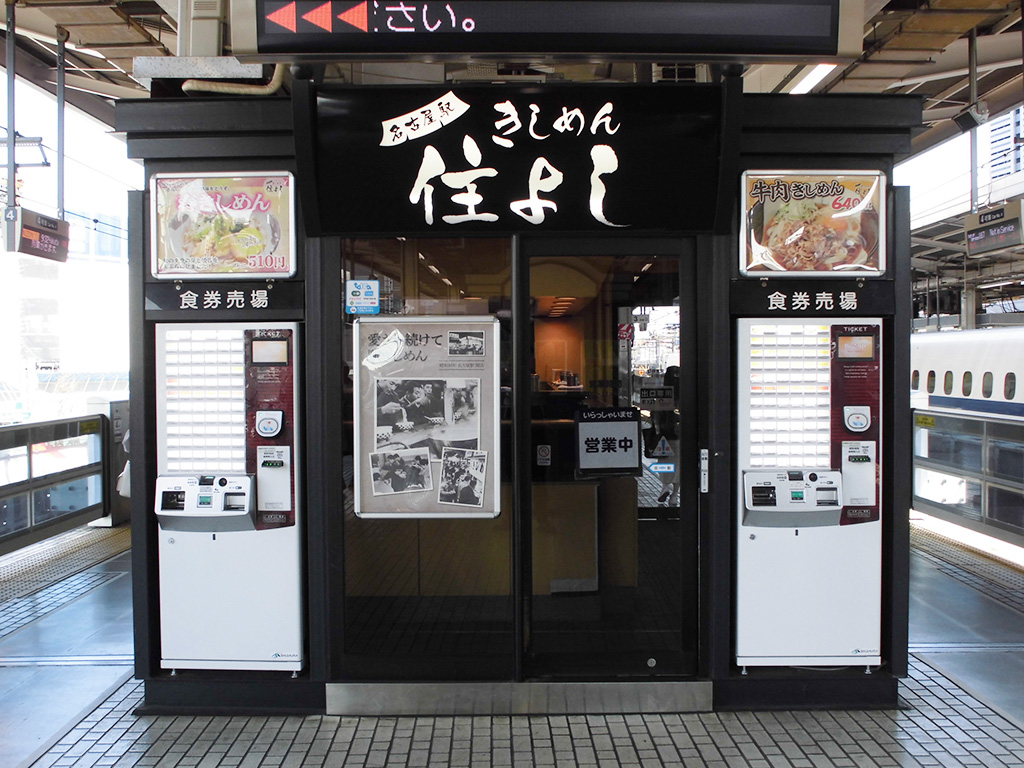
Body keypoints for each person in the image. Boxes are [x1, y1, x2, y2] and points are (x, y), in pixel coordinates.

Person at [655, 365, 681, 505]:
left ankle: (665, 486)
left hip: (665, 435)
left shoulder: (663, 393)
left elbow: (656, 415)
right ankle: (674, 496)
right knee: (679, 465)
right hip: (682, 436)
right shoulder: (686, 392)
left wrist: (658, 431)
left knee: (664, 462)